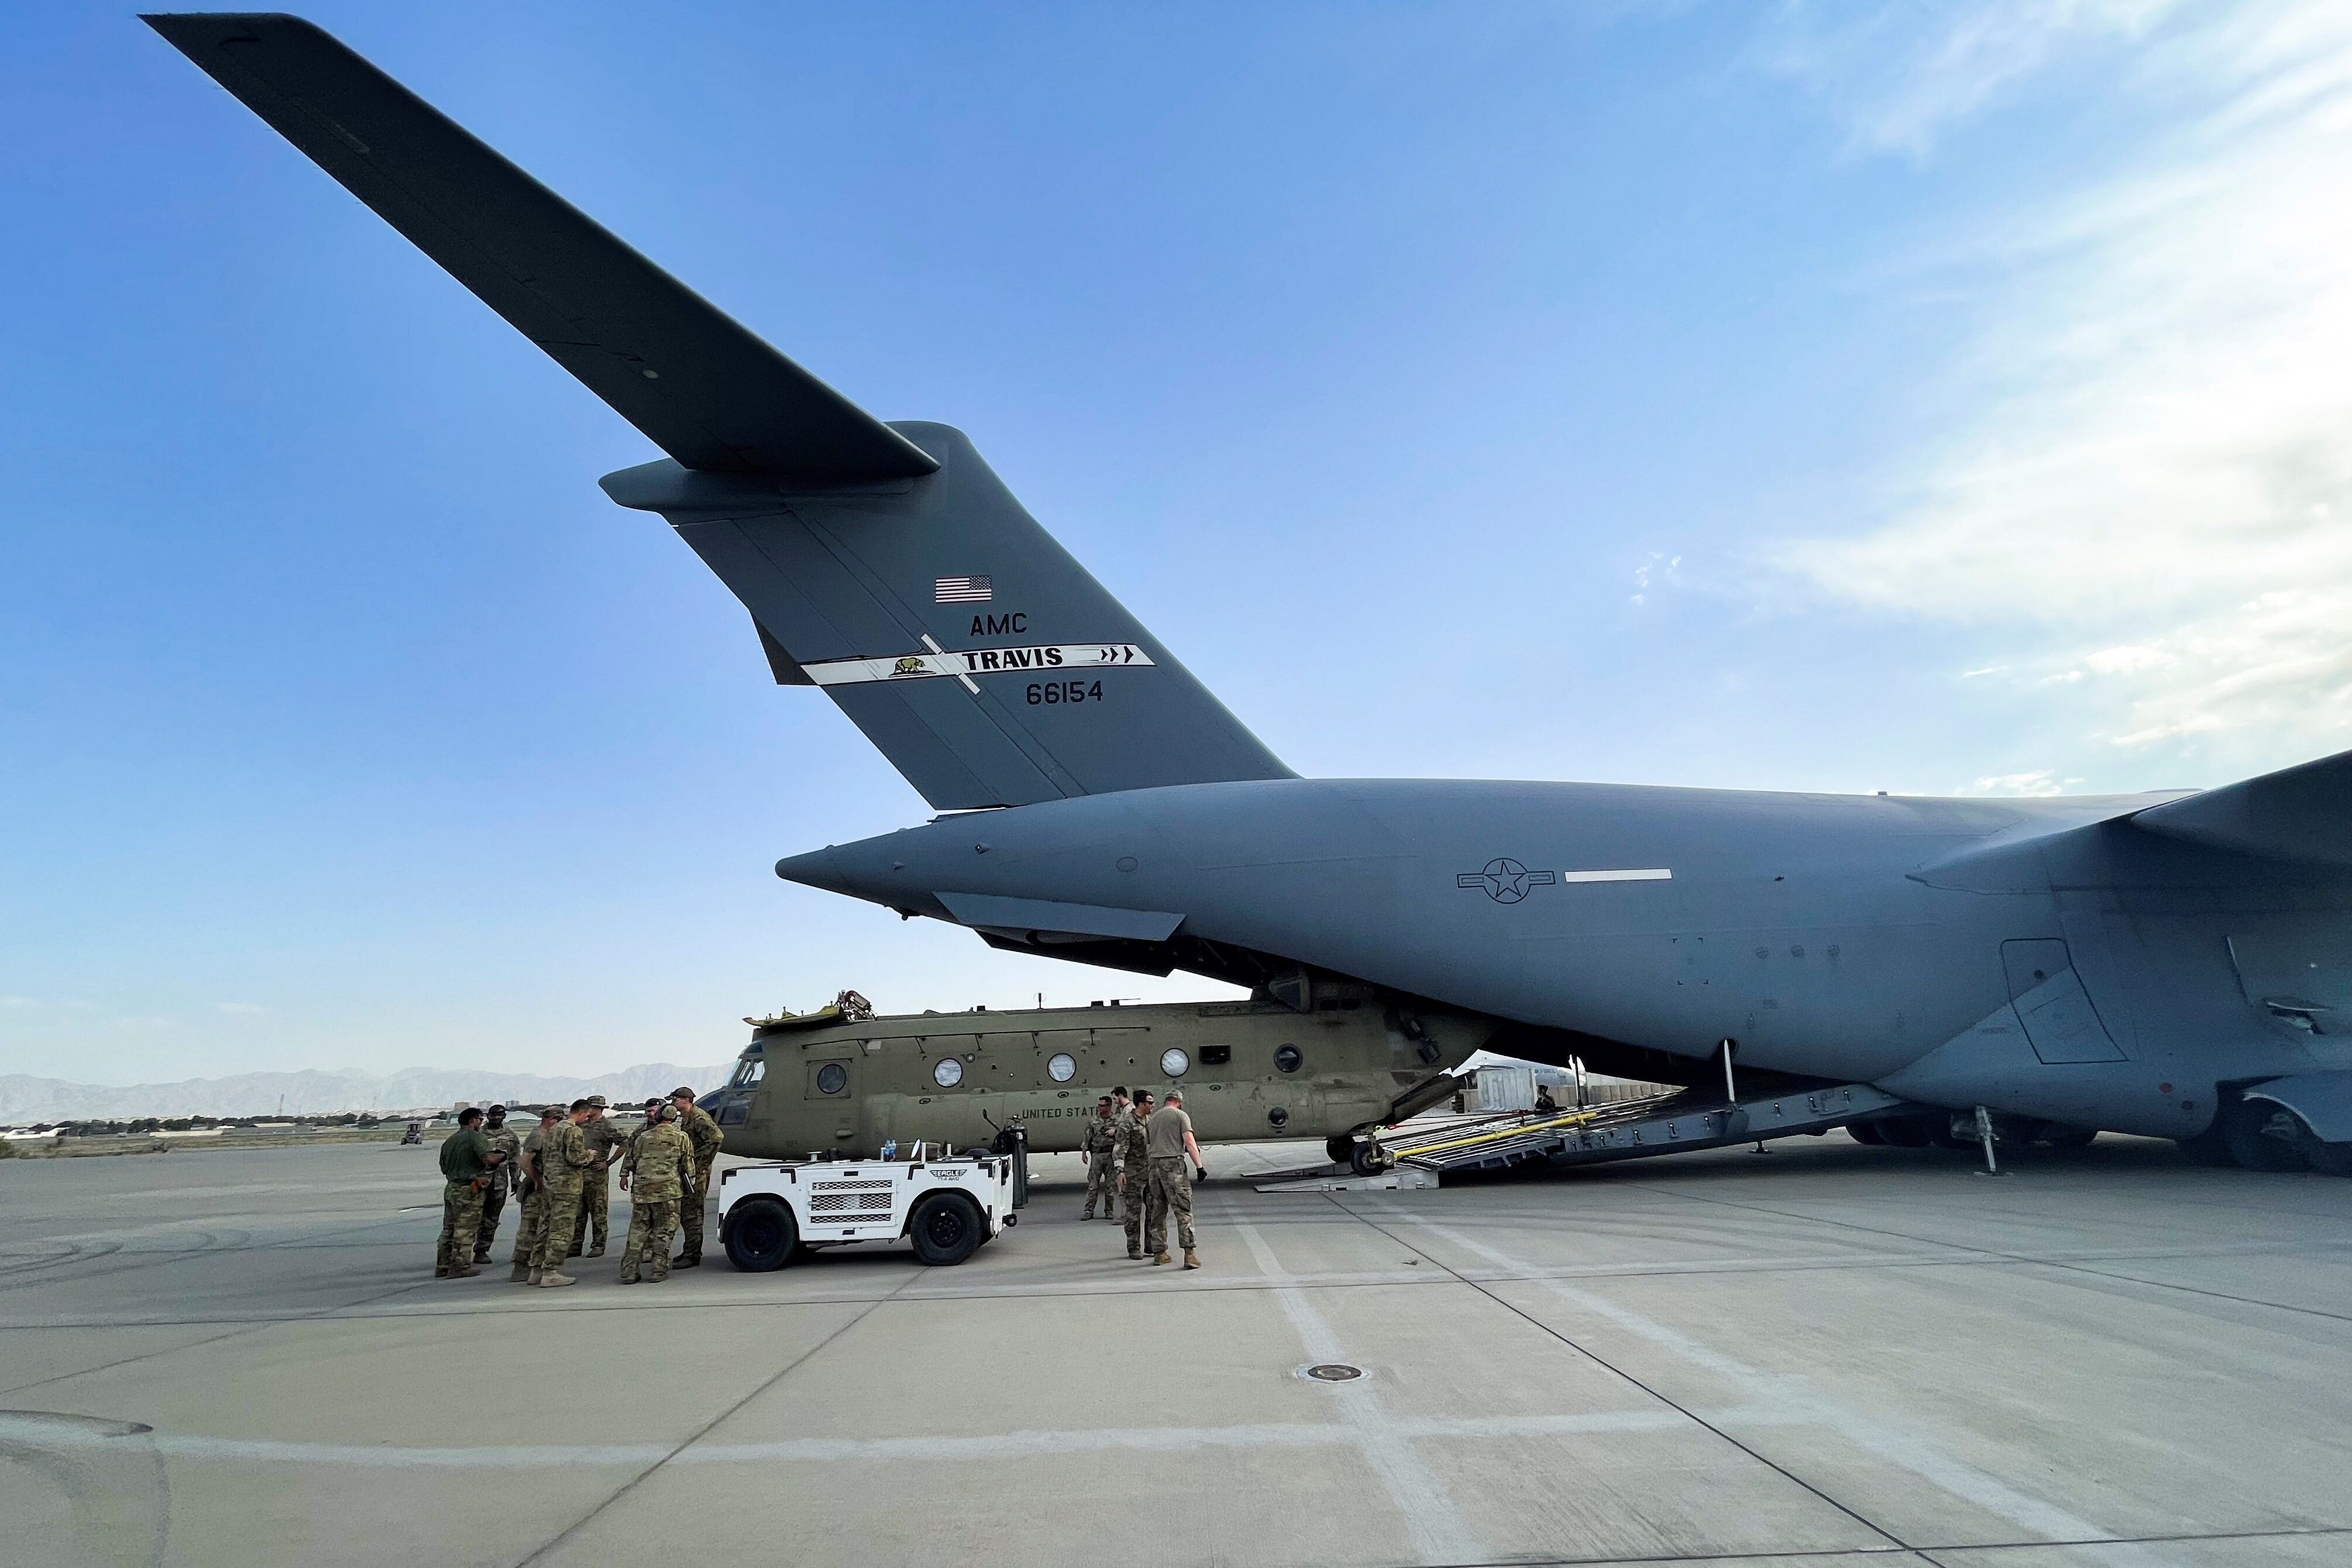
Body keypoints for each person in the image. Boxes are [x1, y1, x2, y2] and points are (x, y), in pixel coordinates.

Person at [617, 1103, 693, 1284]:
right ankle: (658, 1270)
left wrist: (624, 1175)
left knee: (637, 1231)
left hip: (643, 1191)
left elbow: (632, 1159)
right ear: (674, 1119)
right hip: (668, 1192)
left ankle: (629, 1272)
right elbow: (687, 1166)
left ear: (658, 1117)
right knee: (664, 1231)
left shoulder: (643, 1137)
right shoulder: (681, 1137)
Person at [529, 1099, 596, 1288]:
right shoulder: (572, 1130)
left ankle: (536, 1269)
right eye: (587, 1115)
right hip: (567, 1186)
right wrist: (589, 1155)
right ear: (582, 1113)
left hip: (551, 1183)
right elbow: (575, 1158)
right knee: (562, 1229)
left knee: (545, 1226)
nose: (587, 1119)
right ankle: (551, 1271)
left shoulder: (554, 1129)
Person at [432, 1107, 504, 1278]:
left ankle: (443, 1265)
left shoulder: (450, 1141)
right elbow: (487, 1158)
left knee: (448, 1229)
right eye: (480, 1120)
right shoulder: (475, 1137)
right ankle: (460, 1266)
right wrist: (502, 1156)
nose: (481, 1123)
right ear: (473, 1121)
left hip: (452, 1188)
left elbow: (443, 1168)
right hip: (468, 1189)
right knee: (465, 1229)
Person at [1144, 1088, 1205, 1269]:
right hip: (1173, 1166)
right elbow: (1190, 1142)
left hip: (1154, 1167)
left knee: (1157, 1210)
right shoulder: (1181, 1116)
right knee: (1183, 1209)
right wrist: (1200, 1167)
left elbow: (1148, 1147)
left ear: (1166, 1101)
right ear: (1179, 1102)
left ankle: (1160, 1253)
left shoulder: (1152, 1120)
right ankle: (1189, 1255)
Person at [669, 1086, 724, 1268]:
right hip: (691, 1172)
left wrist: (700, 1165)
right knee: (687, 1213)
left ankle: (693, 1255)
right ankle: (689, 1250)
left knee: (693, 1214)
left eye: (676, 1099)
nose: (673, 1102)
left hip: (697, 1175)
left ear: (686, 1100)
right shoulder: (687, 1118)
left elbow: (717, 1138)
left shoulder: (699, 1117)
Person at [569, 1095, 625, 1258]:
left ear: (598, 1109)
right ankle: (575, 1245)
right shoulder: (580, 1124)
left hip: (596, 1175)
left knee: (598, 1211)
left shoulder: (607, 1126)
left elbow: (625, 1143)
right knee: (578, 1212)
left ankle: (599, 1245)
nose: (588, 1110)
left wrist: (608, 1163)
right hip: (578, 1173)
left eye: (591, 1107)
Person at [509, 1106, 562, 1281]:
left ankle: (533, 1265)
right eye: (558, 1120)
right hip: (535, 1190)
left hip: (545, 1187)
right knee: (529, 1228)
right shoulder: (538, 1135)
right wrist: (538, 1180)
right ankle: (521, 1267)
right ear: (551, 1119)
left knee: (541, 1227)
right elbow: (524, 1162)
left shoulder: (549, 1135)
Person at [476, 1105, 520, 1264]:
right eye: (493, 1115)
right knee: (474, 1217)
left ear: (504, 1116)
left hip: (500, 1183)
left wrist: (515, 1179)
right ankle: (462, 1251)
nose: (496, 1118)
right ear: (488, 1116)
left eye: (499, 1115)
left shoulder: (510, 1135)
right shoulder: (478, 1134)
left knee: (492, 1218)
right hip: (480, 1182)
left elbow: (515, 1160)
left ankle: (481, 1250)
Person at [1117, 1090, 1154, 1260]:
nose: (1152, 1106)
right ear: (1141, 1104)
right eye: (1150, 1103)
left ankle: (1151, 1245)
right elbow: (1120, 1147)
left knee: (1153, 1210)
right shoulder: (1127, 1123)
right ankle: (1133, 1247)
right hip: (1132, 1173)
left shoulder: (1151, 1121)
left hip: (1150, 1173)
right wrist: (1120, 1170)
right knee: (1134, 1212)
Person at [1079, 1096, 1120, 1219]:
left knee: (1110, 1185)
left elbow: (1123, 1134)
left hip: (1110, 1155)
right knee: (1093, 1185)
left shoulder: (1117, 1120)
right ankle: (1089, 1211)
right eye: (1099, 1105)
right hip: (1097, 1155)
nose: (1099, 1108)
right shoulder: (1093, 1121)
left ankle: (1109, 1211)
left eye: (1102, 1106)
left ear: (1109, 1107)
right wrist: (1084, 1152)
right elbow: (1088, 1137)